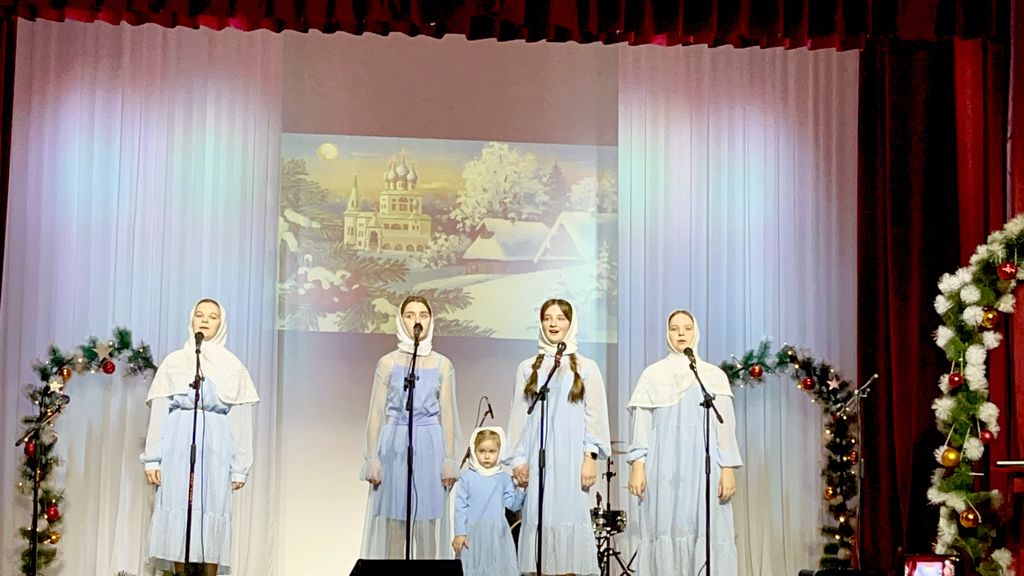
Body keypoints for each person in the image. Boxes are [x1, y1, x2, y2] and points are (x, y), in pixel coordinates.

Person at [141, 298, 259, 575]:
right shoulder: (175, 361)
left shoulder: (232, 365)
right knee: (178, 508)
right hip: (178, 441)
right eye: (199, 315)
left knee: (213, 509)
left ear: (222, 323)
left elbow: (241, 419)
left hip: (217, 442)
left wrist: (240, 467)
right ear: (191, 320)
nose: (205, 320)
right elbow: (160, 410)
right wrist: (153, 459)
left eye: (213, 316)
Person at [626, 309, 742, 575]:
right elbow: (641, 426)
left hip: (703, 466)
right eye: (674, 328)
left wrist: (727, 469)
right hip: (663, 465)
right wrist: (638, 466)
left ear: (695, 332)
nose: (681, 333)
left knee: (705, 526)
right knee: (665, 525)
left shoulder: (712, 375)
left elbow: (725, 428)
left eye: (687, 328)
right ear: (667, 334)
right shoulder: (653, 374)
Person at [505, 298, 611, 576]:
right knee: (539, 523)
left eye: (560, 318)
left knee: (568, 523)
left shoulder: (587, 367)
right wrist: (518, 459)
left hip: (571, 458)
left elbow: (595, 416)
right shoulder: (527, 367)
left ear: (571, 323)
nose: (553, 324)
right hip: (537, 458)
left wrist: (590, 457)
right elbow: (519, 416)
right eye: (547, 318)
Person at [360, 295, 462, 559]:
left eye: (423, 315)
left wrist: (450, 459)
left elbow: (449, 414)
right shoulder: (387, 362)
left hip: (429, 442)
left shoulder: (443, 364)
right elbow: (376, 411)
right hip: (395, 441)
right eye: (410, 315)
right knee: (394, 524)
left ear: (431, 320)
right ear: (401, 320)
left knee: (426, 526)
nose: (417, 320)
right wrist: (372, 457)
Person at [452, 426, 525, 576]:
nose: (486, 456)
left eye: (492, 451)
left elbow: (512, 505)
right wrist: (460, 533)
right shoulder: (466, 478)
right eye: (482, 451)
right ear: (474, 451)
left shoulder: (504, 479)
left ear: (500, 452)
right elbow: (460, 508)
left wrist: (521, 489)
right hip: (473, 534)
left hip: (497, 534)